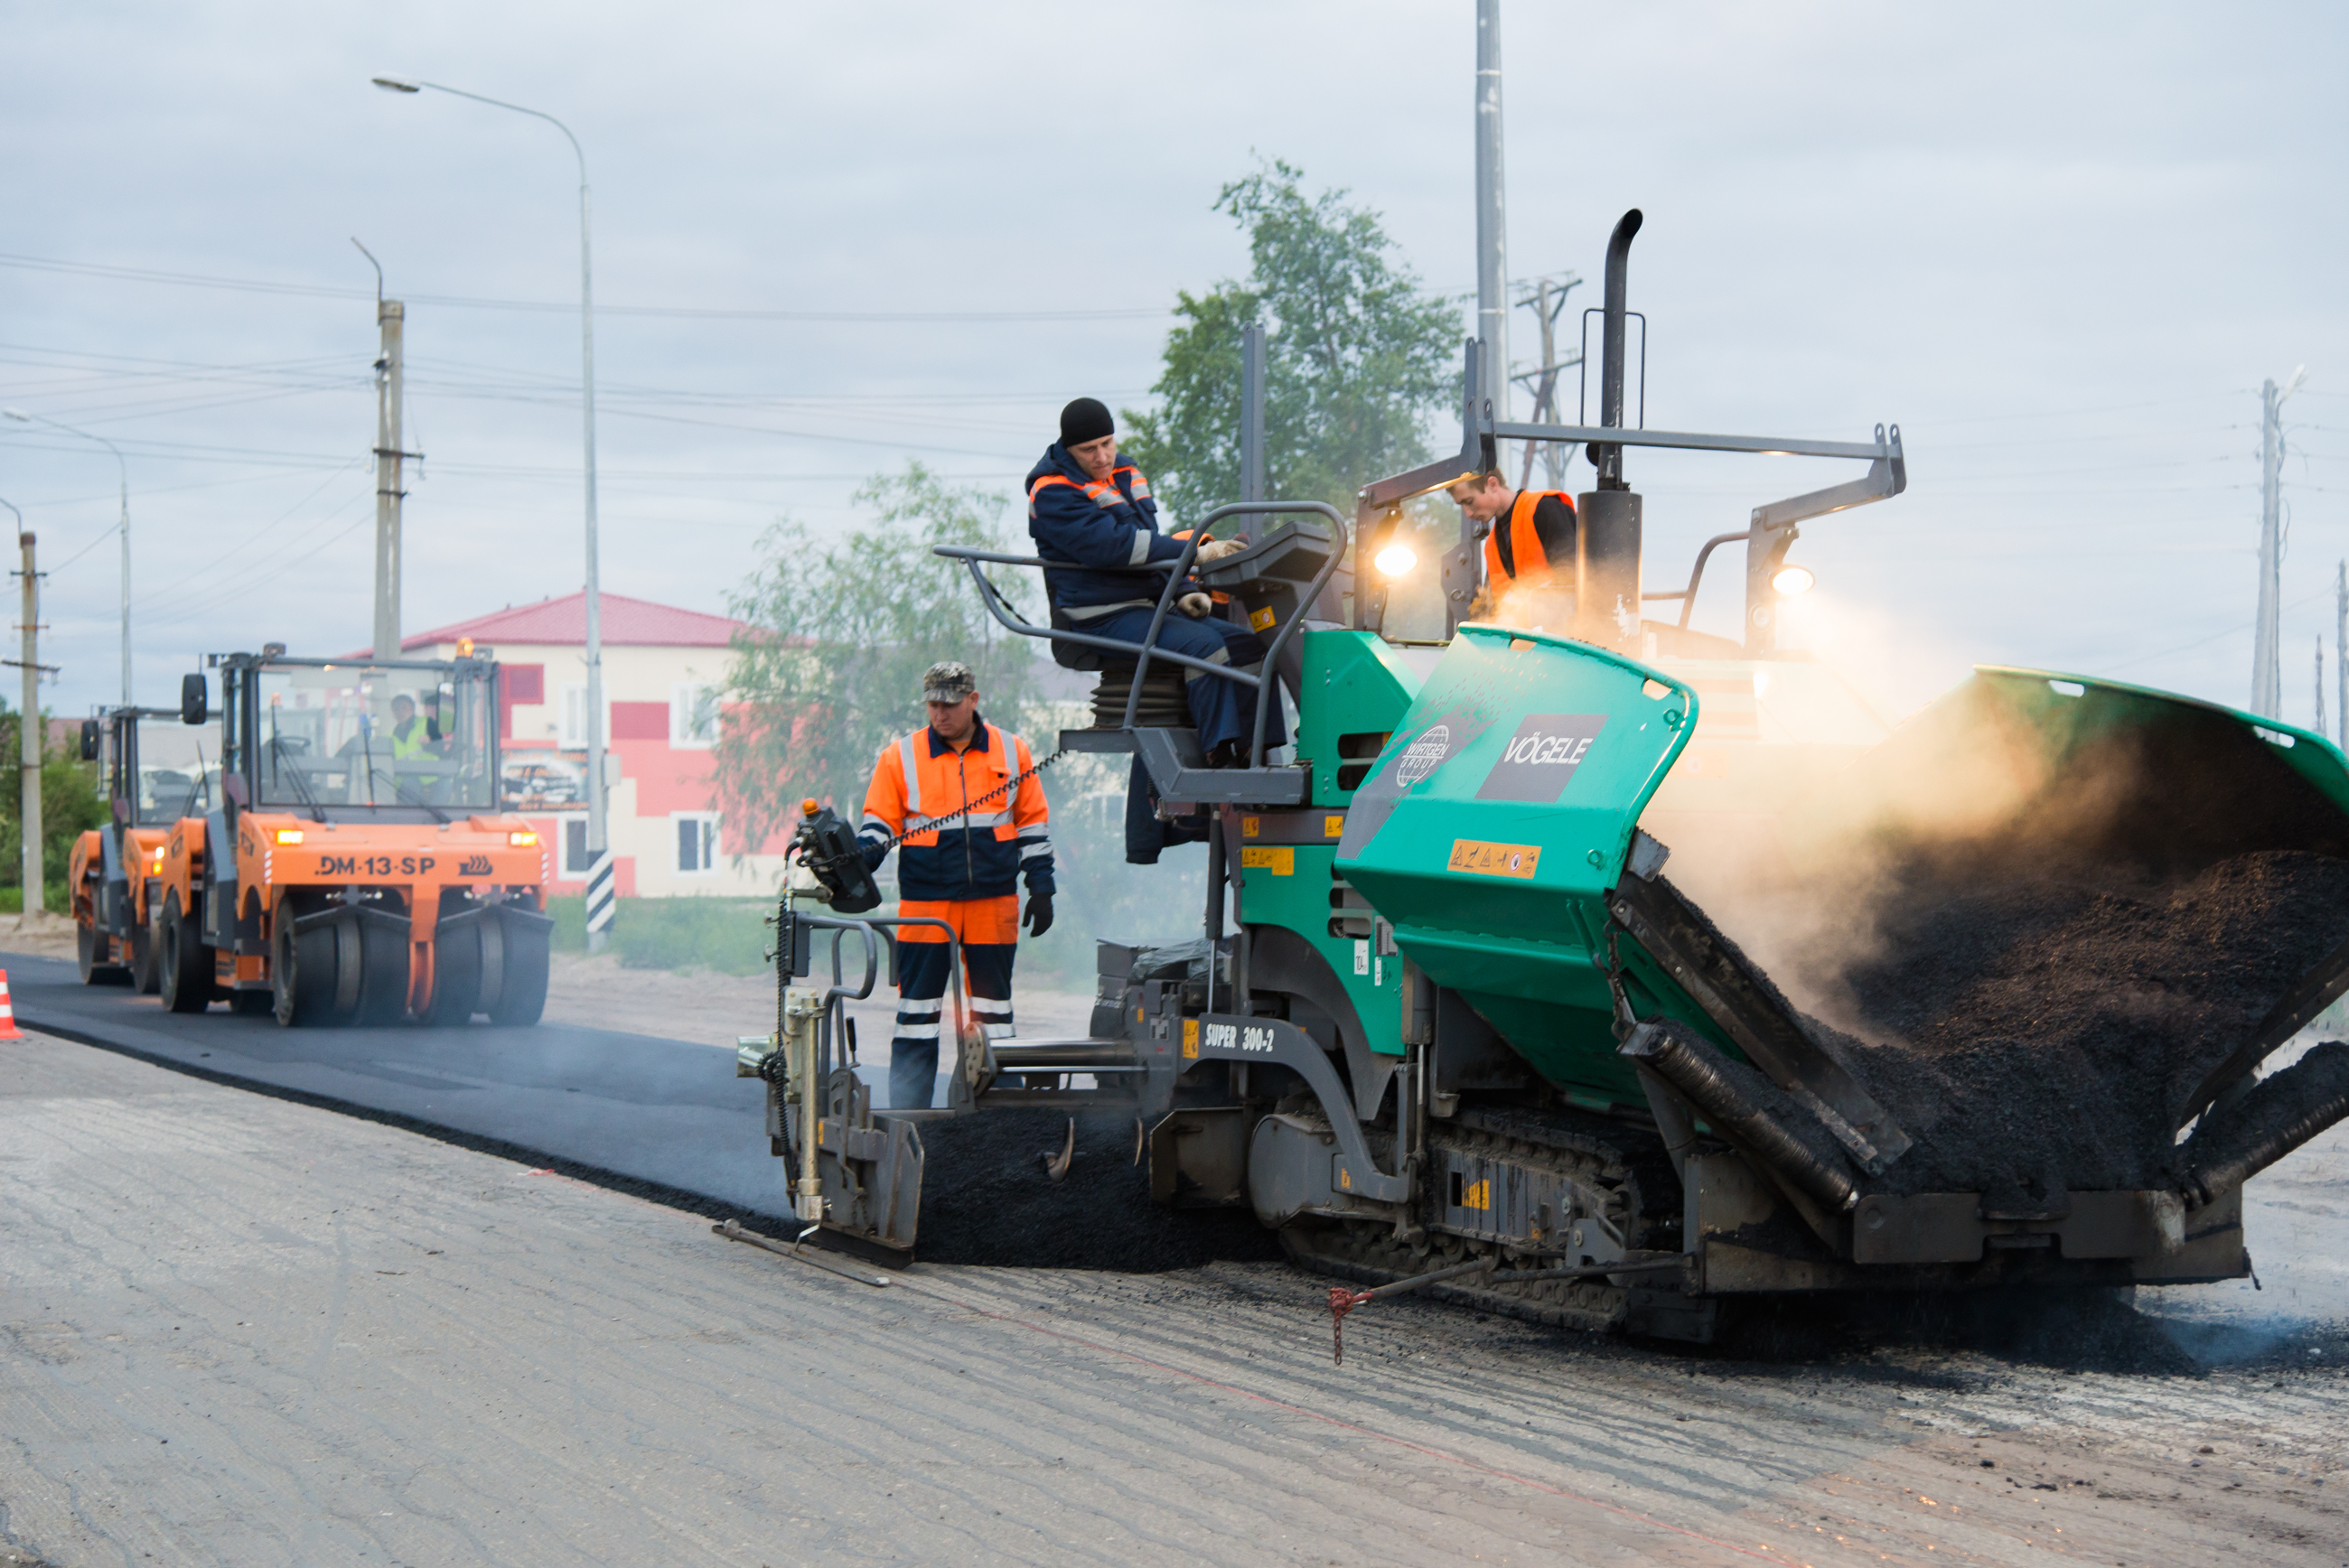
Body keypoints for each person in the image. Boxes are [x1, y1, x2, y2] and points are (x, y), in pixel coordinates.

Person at [1026, 397, 1287, 769]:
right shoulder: (1053, 491)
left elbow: (1148, 545)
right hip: (1100, 613)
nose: (1102, 457)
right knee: (1203, 645)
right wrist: (1196, 552)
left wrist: (1181, 591)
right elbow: (1115, 548)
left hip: (1148, 603)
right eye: (1089, 450)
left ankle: (1258, 750)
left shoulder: (1124, 475)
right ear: (1068, 450)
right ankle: (1219, 754)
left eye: (1108, 444)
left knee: (1251, 646)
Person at [857, 661, 1054, 1110]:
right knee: (917, 1017)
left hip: (993, 902)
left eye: (949, 704)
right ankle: (910, 1114)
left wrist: (1042, 887)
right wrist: (862, 855)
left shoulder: (1013, 751)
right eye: (932, 705)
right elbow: (878, 824)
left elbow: (1032, 824)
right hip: (927, 905)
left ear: (973, 701)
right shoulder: (899, 757)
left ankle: (997, 1115)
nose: (940, 714)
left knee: (994, 1018)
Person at [1446, 471, 1578, 598]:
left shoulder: (1544, 509)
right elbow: (1489, 606)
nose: (1468, 513)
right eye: (1461, 505)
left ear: (1493, 485)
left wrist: (1528, 600)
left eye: (1469, 502)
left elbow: (1573, 573)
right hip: (1530, 621)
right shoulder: (1492, 546)